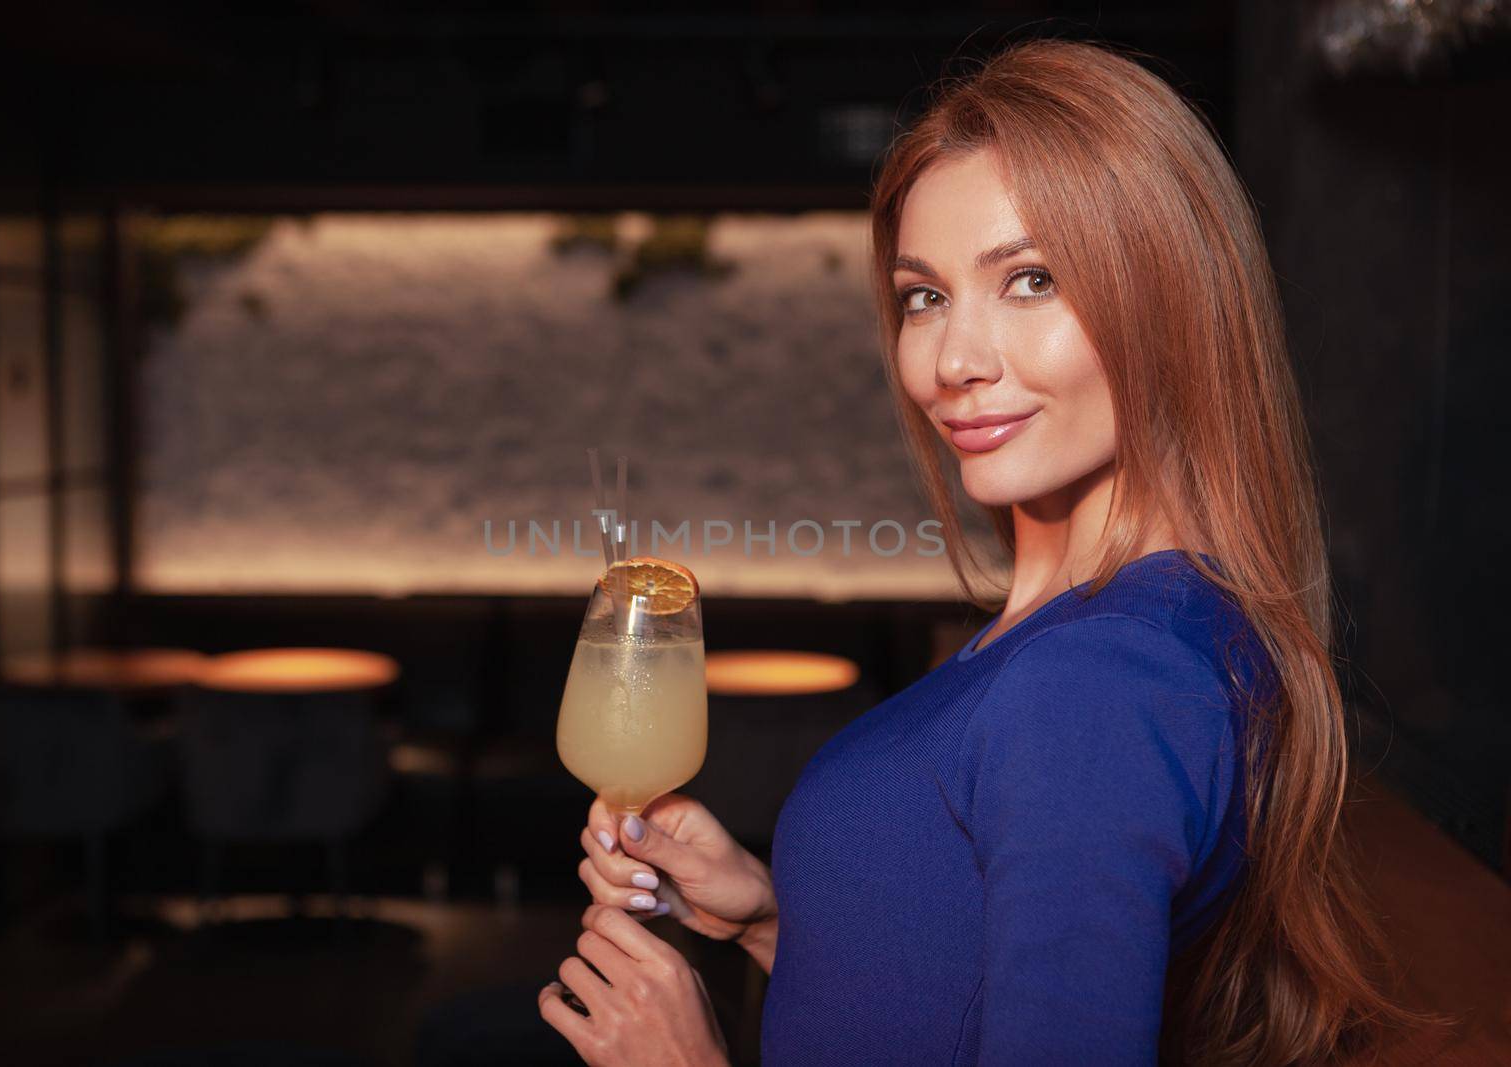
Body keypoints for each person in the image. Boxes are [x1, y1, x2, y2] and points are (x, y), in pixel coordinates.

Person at [537, 38, 1423, 1066]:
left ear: (1170, 298)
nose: (953, 359)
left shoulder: (1091, 681)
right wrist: (770, 921)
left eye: (1031, 279)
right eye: (925, 296)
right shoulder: (1146, 627)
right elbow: (951, 996)